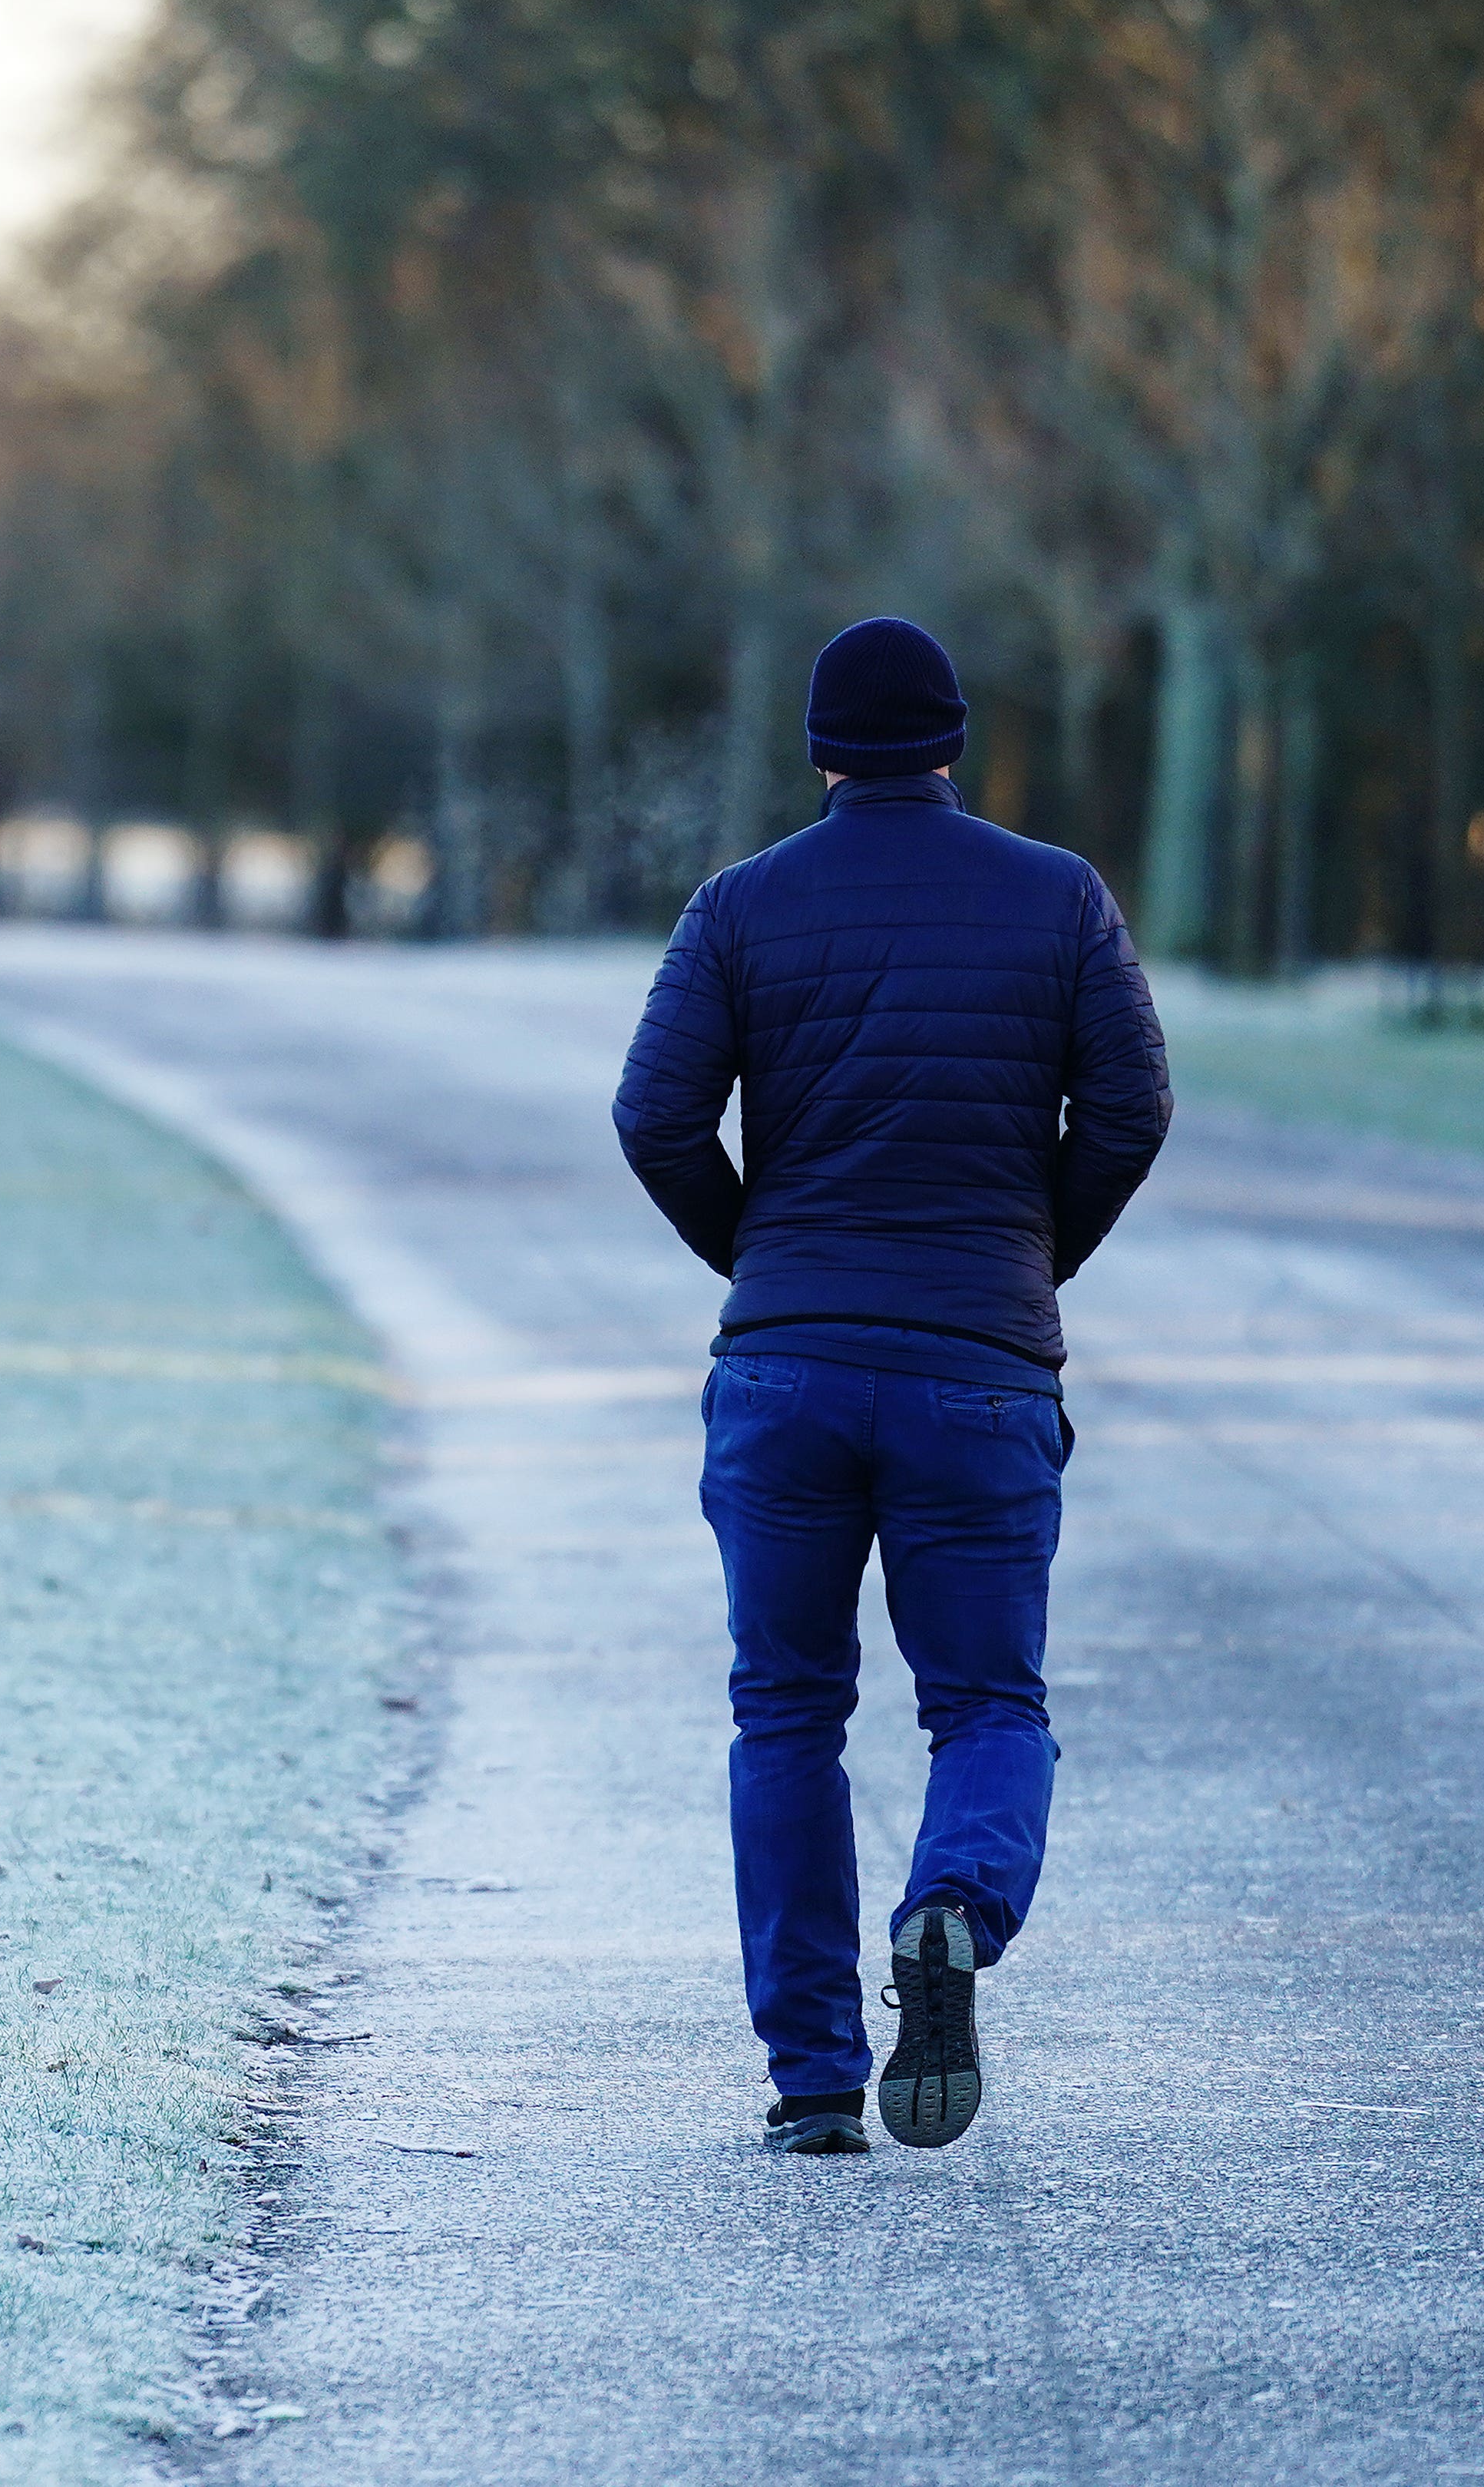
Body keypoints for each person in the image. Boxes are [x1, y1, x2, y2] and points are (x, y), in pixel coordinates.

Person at [611, 616, 1171, 2155]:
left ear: (815, 752)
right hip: (978, 1375)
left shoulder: (735, 909)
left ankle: (808, 2086)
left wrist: (760, 1267)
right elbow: (1130, 1109)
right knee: (986, 1701)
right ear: (950, 741)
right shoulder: (1057, 899)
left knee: (783, 1713)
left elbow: (654, 1119)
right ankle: (950, 1907)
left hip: (783, 1375)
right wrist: (1025, 1265)